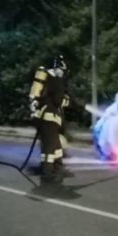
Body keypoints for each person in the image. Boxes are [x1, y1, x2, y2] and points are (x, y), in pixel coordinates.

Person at [28, 55, 72, 183]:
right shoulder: (56, 81)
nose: (62, 73)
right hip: (49, 118)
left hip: (43, 117)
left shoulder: (48, 80)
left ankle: (57, 168)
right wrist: (69, 103)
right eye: (62, 70)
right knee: (50, 146)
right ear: (58, 68)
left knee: (57, 145)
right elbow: (58, 100)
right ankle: (47, 171)